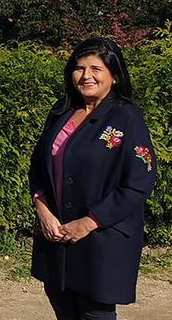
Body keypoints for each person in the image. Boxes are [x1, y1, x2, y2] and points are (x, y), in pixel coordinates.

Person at [29, 37, 157, 320]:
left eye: (96, 68)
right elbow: (37, 167)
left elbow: (139, 183)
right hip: (56, 235)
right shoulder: (61, 112)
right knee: (63, 307)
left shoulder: (126, 118)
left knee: (94, 313)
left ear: (114, 74)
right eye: (79, 68)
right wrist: (43, 210)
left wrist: (87, 223)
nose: (86, 76)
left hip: (101, 237)